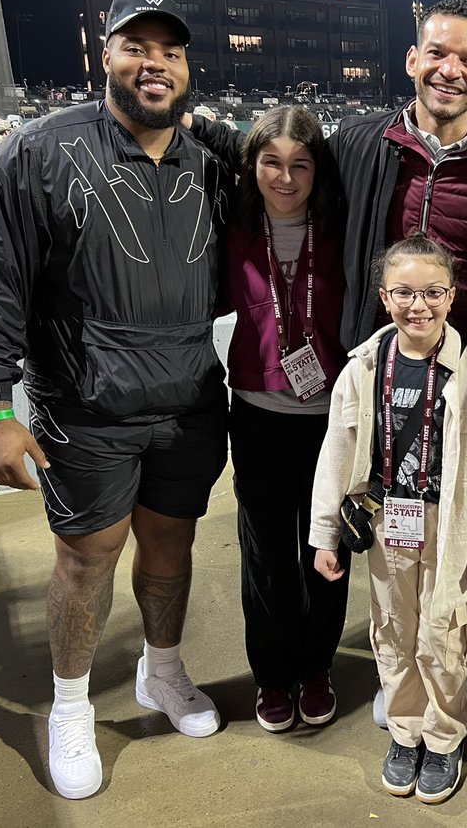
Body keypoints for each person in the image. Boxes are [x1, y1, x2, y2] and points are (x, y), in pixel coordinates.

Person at [0, 0, 229, 800]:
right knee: (86, 560)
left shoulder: (212, 158)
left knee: (171, 550)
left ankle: (162, 672)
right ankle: (70, 705)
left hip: (187, 402)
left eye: (170, 51)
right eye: (136, 47)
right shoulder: (37, 153)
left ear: (185, 68)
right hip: (85, 408)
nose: (155, 64)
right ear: (103, 56)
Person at [328, 0, 467, 740]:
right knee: (395, 529)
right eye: (437, 54)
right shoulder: (358, 144)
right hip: (384, 379)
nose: (450, 69)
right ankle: (408, 670)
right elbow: (273, 174)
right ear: (412, 61)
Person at [309, 235, 467, 804]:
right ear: (384, 296)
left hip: (450, 527)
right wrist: (326, 531)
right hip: (385, 523)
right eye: (404, 292)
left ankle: (445, 737)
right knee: (395, 633)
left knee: (443, 633)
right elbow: (337, 449)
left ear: (452, 296)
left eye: (431, 292)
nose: (417, 305)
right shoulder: (363, 369)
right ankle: (406, 731)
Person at [193, 105, 351, 730]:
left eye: (300, 165)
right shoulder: (232, 230)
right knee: (266, 556)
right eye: (271, 163)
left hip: (330, 419)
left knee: (328, 547)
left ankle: (317, 667)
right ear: (251, 166)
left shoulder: (340, 231)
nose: (285, 178)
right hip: (257, 415)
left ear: (318, 172)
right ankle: (273, 676)